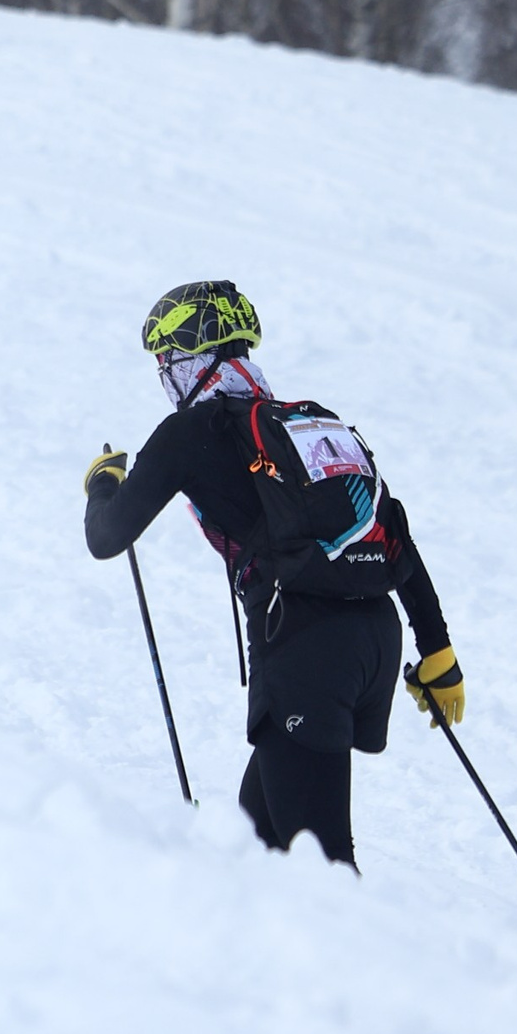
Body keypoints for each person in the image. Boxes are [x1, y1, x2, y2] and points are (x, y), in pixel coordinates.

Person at [81, 281, 464, 868]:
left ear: (192, 359)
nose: (163, 376)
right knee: (258, 843)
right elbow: (394, 529)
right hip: (374, 636)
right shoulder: (302, 425)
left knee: (326, 870)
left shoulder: (190, 432)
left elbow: (107, 537)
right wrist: (437, 651)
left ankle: (417, 964)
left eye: (166, 361)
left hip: (304, 651)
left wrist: (103, 483)